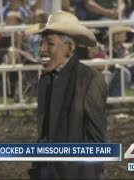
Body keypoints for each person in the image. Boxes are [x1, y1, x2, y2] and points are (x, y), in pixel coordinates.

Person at [26, 11, 107, 179]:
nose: (42, 49)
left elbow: (96, 139)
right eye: (41, 43)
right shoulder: (47, 80)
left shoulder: (90, 79)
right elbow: (45, 129)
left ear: (69, 48)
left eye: (49, 44)